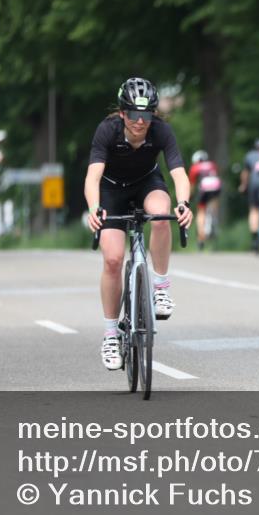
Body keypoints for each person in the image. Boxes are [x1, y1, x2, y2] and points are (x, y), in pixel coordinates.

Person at [85, 77, 193, 371]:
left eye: (146, 115)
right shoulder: (107, 131)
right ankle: (110, 335)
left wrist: (184, 204)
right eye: (133, 114)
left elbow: (179, 174)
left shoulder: (161, 131)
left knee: (160, 216)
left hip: (147, 182)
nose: (140, 122)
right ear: (122, 113)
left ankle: (160, 286)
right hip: (110, 190)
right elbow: (93, 177)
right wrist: (94, 209)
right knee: (113, 259)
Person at [188, 150, 221, 250]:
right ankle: (214, 219)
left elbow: (192, 185)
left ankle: (201, 238)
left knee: (201, 211)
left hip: (204, 188)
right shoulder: (212, 164)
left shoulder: (195, 167)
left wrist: (190, 196)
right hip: (216, 185)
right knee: (214, 202)